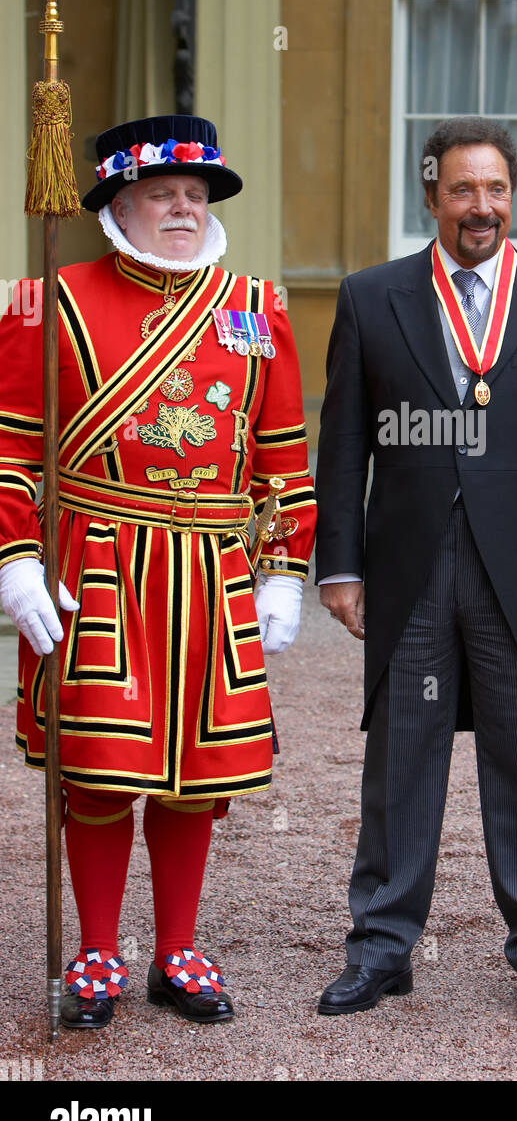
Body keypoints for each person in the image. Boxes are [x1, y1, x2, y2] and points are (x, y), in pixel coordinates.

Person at [0, 114, 315, 1029]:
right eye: (160, 196)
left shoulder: (257, 304)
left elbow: (283, 456)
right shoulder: (48, 299)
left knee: (198, 771)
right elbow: (12, 447)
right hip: (97, 565)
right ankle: (97, 952)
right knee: (99, 768)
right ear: (119, 207)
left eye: (194, 195)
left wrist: (285, 568)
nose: (182, 209)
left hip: (214, 569)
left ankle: (178, 949)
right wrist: (17, 556)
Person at [314, 116, 517, 1022]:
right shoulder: (371, 297)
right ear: (430, 194)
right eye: (460, 189)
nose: (478, 206)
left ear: (510, 197)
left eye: (493, 189)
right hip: (408, 563)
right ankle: (380, 947)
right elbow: (341, 449)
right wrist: (338, 564)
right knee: (400, 758)